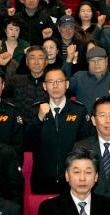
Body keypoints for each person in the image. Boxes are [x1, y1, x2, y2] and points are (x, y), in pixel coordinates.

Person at [24, 66, 90, 195]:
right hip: (42, 179)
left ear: (67, 84)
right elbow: (27, 143)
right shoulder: (34, 109)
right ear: (44, 86)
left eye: (59, 81)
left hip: (72, 179)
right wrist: (39, 118)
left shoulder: (79, 110)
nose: (55, 86)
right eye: (50, 82)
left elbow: (86, 144)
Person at [9, 45, 50, 119]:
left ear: (46, 62)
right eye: (32, 58)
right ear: (27, 62)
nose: (36, 62)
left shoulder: (52, 83)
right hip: (20, 123)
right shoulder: (16, 81)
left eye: (40, 58)